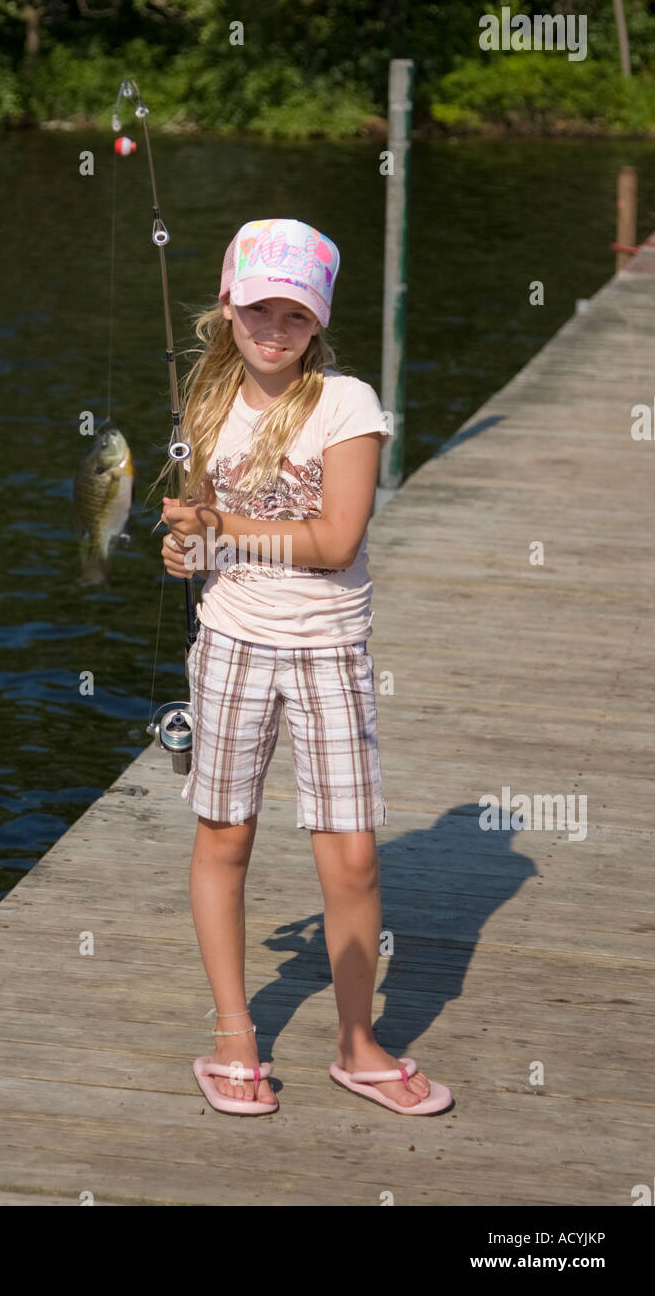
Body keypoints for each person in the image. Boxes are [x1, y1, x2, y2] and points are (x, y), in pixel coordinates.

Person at [155, 217, 452, 1118]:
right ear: (228, 306)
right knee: (226, 836)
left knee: (354, 861)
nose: (274, 329)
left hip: (327, 650)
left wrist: (222, 532)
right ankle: (234, 1037)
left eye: (294, 313)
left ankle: (358, 1046)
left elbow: (333, 541)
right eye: (258, 309)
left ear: (319, 322)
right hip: (233, 644)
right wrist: (185, 550)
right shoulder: (203, 403)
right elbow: (201, 525)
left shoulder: (347, 404)